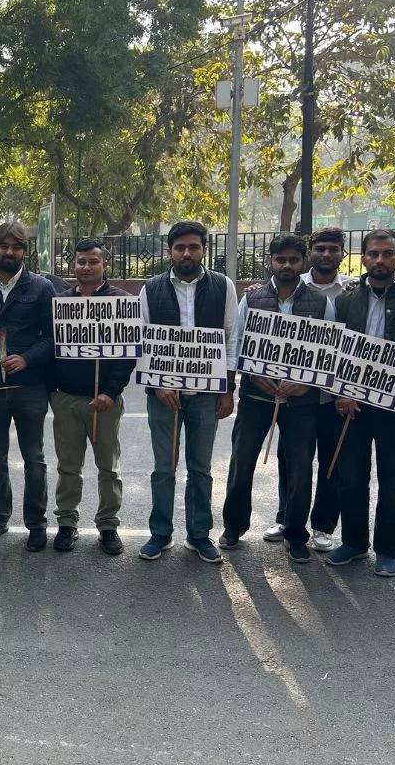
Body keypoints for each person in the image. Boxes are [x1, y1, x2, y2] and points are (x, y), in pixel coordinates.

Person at [327, 230, 395, 578]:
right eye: (373, 254)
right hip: (350, 406)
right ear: (363, 258)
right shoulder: (345, 301)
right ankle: (354, 543)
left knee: (394, 482)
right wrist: (340, 391)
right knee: (351, 478)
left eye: (388, 254)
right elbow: (334, 350)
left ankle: (388, 550)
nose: (380, 260)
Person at [220, 235, 327, 563]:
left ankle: (295, 534)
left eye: (294, 260)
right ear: (271, 261)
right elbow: (237, 342)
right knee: (242, 463)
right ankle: (234, 527)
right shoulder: (251, 299)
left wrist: (305, 384)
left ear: (303, 261)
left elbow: (327, 348)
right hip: (256, 395)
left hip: (302, 400)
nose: (287, 265)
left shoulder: (321, 302)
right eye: (281, 259)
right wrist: (252, 377)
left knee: (299, 469)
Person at [138, 222, 238, 563]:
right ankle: (160, 534)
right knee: (163, 468)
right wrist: (158, 382)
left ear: (204, 250)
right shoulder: (150, 289)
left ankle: (199, 535)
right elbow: (142, 339)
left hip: (207, 395)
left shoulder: (224, 287)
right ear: (170, 251)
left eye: (193, 247)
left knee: (200, 468)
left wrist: (228, 388)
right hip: (163, 396)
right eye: (180, 247)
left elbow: (230, 337)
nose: (186, 253)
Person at [0, 221, 57, 551]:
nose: (9, 252)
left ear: (25, 250)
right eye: (4, 246)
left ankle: (36, 523)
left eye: (16, 247)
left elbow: (52, 337)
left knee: (34, 458)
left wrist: (27, 359)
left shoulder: (42, 288)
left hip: (30, 387)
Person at [263, 228, 353, 551]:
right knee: (292, 461)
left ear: (342, 252)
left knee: (332, 461)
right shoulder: (291, 286)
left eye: (333, 249)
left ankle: (323, 526)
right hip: (294, 395)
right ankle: (287, 518)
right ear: (310, 254)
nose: (326, 254)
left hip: (333, 396)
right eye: (320, 249)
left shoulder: (353, 289)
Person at [49, 238, 137, 555]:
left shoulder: (121, 302)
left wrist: (111, 392)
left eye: (93, 262)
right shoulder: (60, 303)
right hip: (66, 400)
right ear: (74, 265)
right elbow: (51, 350)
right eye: (81, 262)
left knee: (108, 468)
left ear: (105, 264)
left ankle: (108, 527)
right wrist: (53, 392)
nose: (86, 267)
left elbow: (127, 355)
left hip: (105, 402)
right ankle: (67, 524)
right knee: (68, 467)